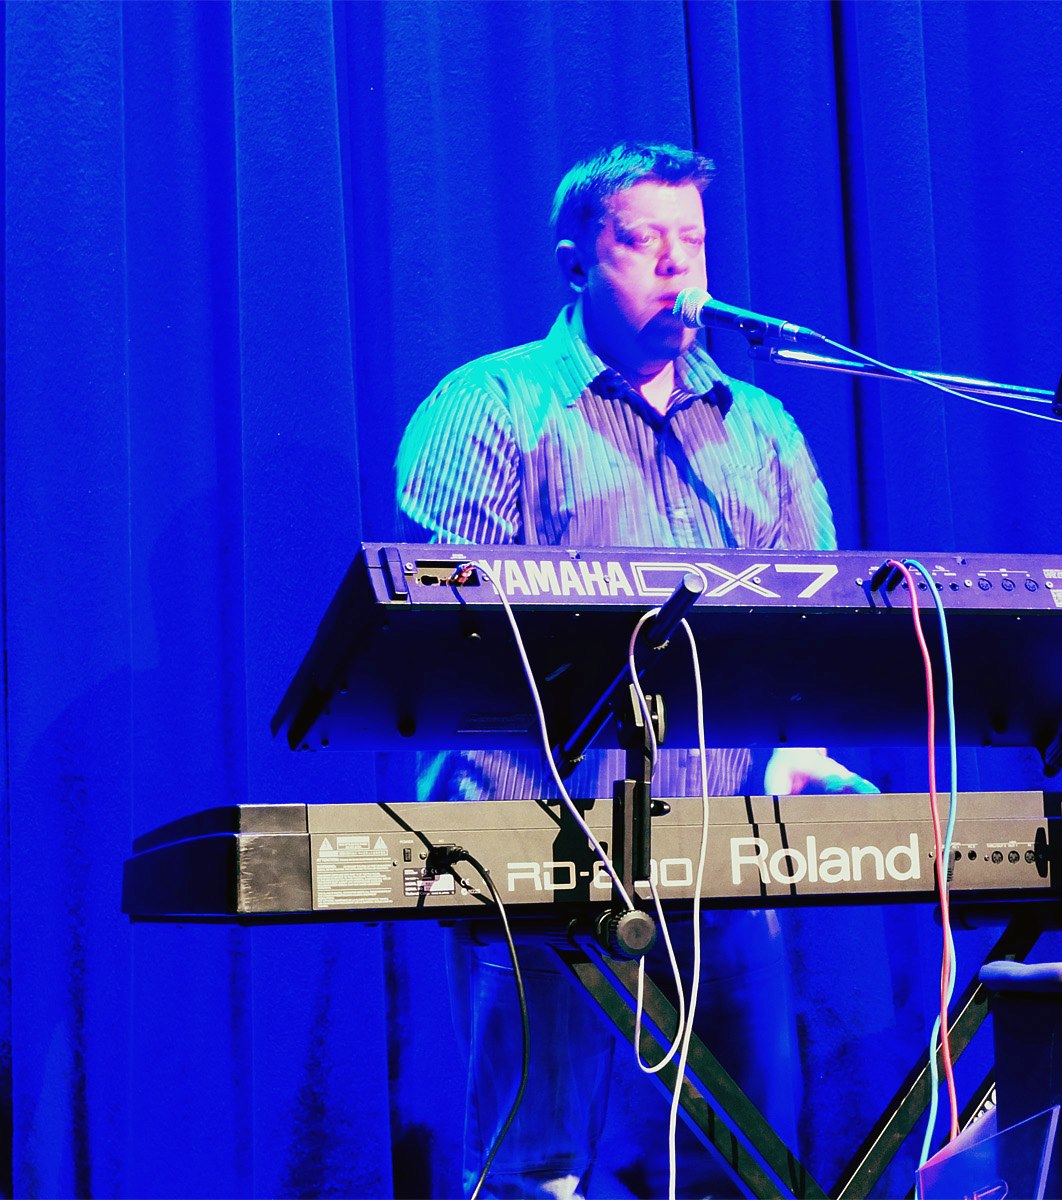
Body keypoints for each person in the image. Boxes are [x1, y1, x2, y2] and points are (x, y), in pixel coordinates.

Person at [397, 142, 870, 1199]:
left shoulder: (759, 426)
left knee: (737, 1162)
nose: (675, 265)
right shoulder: (490, 407)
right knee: (535, 1170)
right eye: (643, 240)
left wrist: (796, 747)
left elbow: (816, 623)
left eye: (691, 240)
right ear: (577, 263)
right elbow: (450, 640)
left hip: (722, 848)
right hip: (536, 852)